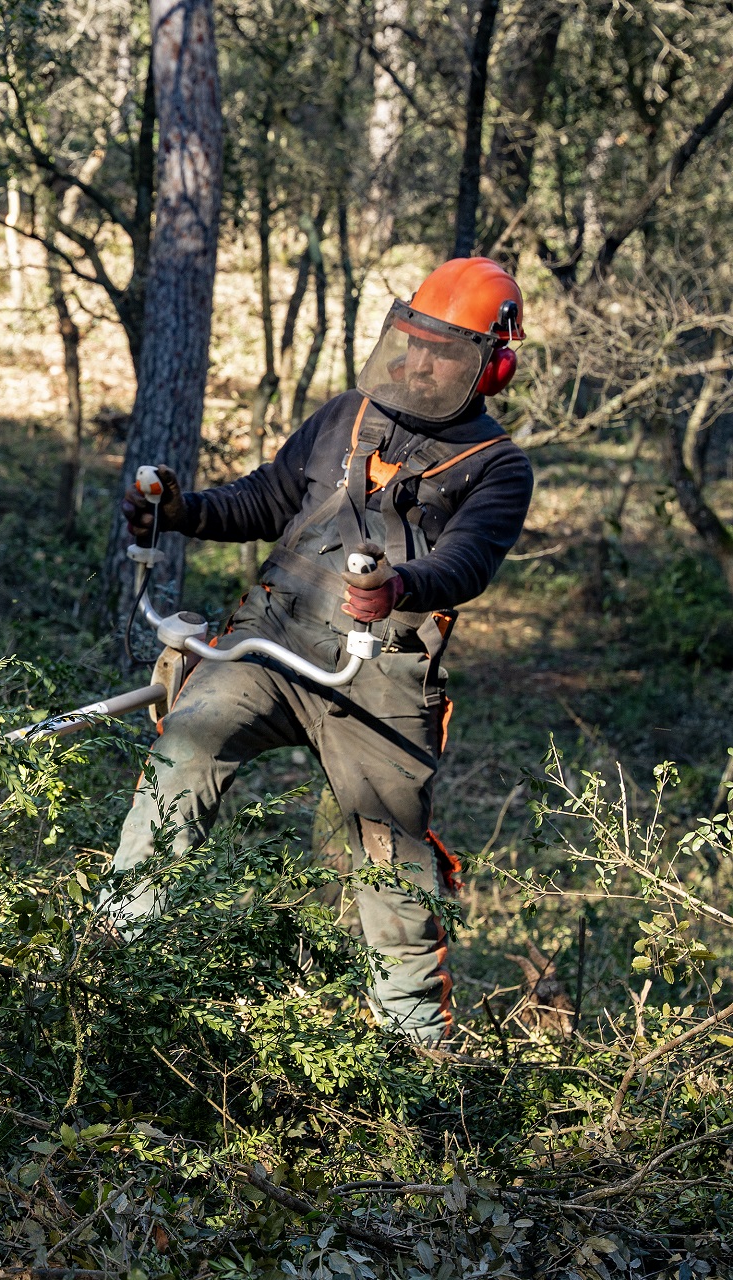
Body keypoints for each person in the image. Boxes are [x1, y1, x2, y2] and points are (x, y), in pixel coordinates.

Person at [109, 257, 535, 1045]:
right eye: (415, 339)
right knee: (183, 754)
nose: (421, 361)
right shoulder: (346, 413)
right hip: (270, 639)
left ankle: (416, 1059)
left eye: (446, 350)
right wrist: (180, 512)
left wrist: (398, 587)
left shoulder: (499, 467)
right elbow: (267, 498)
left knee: (394, 871)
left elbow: (467, 562)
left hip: (382, 677)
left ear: (491, 367)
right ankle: (103, 972)